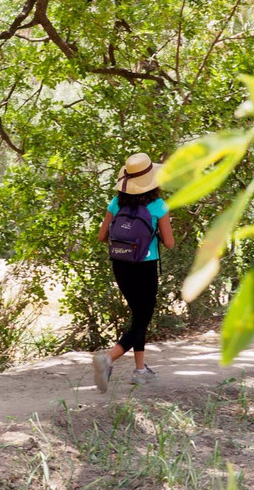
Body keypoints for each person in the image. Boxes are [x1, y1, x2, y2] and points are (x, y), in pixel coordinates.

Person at [92, 152, 174, 391]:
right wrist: (154, 231)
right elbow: (169, 243)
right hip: (145, 267)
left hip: (120, 264)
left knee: (138, 317)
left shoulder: (116, 203)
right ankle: (108, 359)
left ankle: (140, 370)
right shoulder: (159, 206)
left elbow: (101, 236)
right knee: (142, 318)